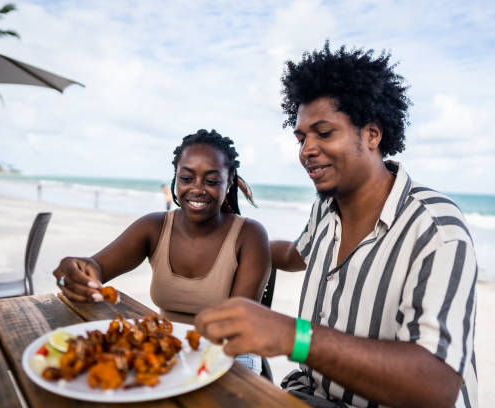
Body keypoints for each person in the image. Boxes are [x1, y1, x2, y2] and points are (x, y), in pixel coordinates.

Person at [195, 43, 478, 408]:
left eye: (324, 133)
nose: (306, 150)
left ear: (373, 135)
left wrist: (290, 335)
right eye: (301, 137)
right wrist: (232, 235)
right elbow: (296, 253)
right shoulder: (327, 206)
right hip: (311, 394)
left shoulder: (436, 228)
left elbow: (437, 387)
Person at [53, 129, 271, 373]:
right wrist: (77, 272)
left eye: (211, 181)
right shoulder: (153, 227)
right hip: (172, 351)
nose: (197, 189)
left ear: (229, 181)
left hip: (232, 356)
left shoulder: (250, 235)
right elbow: (96, 267)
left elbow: (235, 325)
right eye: (187, 178)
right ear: (175, 178)